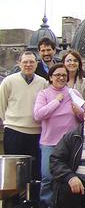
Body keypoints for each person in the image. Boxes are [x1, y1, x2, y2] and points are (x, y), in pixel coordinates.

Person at [33, 63, 84, 208]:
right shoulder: (44, 94)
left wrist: (79, 111)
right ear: (50, 77)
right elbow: (38, 115)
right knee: (47, 178)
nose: (61, 78)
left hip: (70, 144)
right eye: (57, 75)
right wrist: (57, 101)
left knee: (70, 177)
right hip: (49, 143)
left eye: (64, 75)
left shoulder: (74, 93)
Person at [0, 51, 49, 180]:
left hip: (36, 133)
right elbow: (2, 105)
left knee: (34, 171)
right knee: (13, 173)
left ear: (36, 64)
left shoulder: (43, 82)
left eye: (31, 62)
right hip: (14, 131)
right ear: (19, 63)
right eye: (25, 62)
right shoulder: (8, 81)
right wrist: (10, 121)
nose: (28, 65)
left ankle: (33, 199)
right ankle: (13, 200)